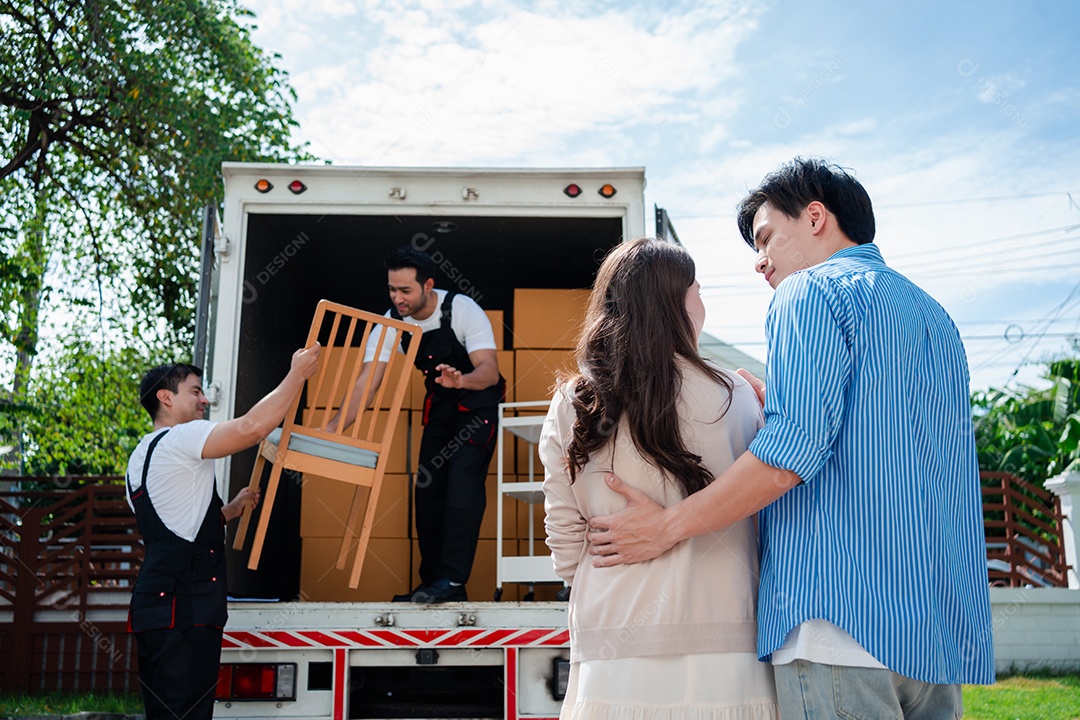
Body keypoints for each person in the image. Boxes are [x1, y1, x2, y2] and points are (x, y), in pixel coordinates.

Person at [586, 159, 995, 719]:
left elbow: (789, 454)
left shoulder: (809, 293)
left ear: (817, 217)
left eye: (766, 237)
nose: (760, 261)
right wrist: (782, 391)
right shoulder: (933, 316)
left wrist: (666, 527)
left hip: (839, 622)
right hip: (937, 631)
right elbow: (888, 438)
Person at [540, 238, 779, 720]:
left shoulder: (574, 402)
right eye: (698, 291)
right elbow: (767, 505)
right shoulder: (737, 395)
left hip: (614, 640)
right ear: (677, 303)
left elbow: (564, 534)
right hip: (727, 638)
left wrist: (597, 584)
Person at [126, 346, 320, 720]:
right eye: (195, 391)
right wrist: (297, 374)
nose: (203, 399)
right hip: (185, 609)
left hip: (155, 608)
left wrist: (229, 510)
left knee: (165, 711)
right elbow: (252, 427)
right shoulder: (182, 438)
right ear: (165, 398)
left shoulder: (139, 457)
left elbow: (176, 524)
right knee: (188, 712)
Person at [330, 246, 505, 603]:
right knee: (426, 494)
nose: (398, 298)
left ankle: (453, 583)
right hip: (440, 410)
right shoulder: (392, 323)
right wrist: (332, 429)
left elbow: (489, 371)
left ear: (428, 285)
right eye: (392, 290)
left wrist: (462, 381)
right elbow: (366, 383)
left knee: (461, 490)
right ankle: (433, 584)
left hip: (477, 409)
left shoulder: (462, 310)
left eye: (405, 290)